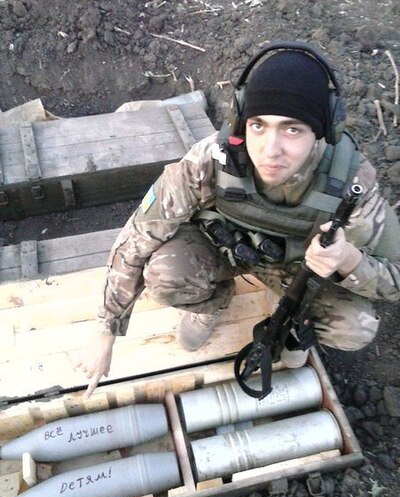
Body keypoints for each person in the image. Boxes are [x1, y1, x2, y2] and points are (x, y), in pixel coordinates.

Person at [74, 40, 400, 398]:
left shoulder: (350, 185)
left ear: (323, 129)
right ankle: (212, 304)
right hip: (224, 249)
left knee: (355, 327)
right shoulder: (212, 159)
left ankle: (290, 317)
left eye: (292, 129)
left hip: (298, 270)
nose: (270, 150)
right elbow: (138, 236)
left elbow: (395, 280)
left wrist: (348, 260)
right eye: (258, 126)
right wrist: (106, 327)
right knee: (164, 274)